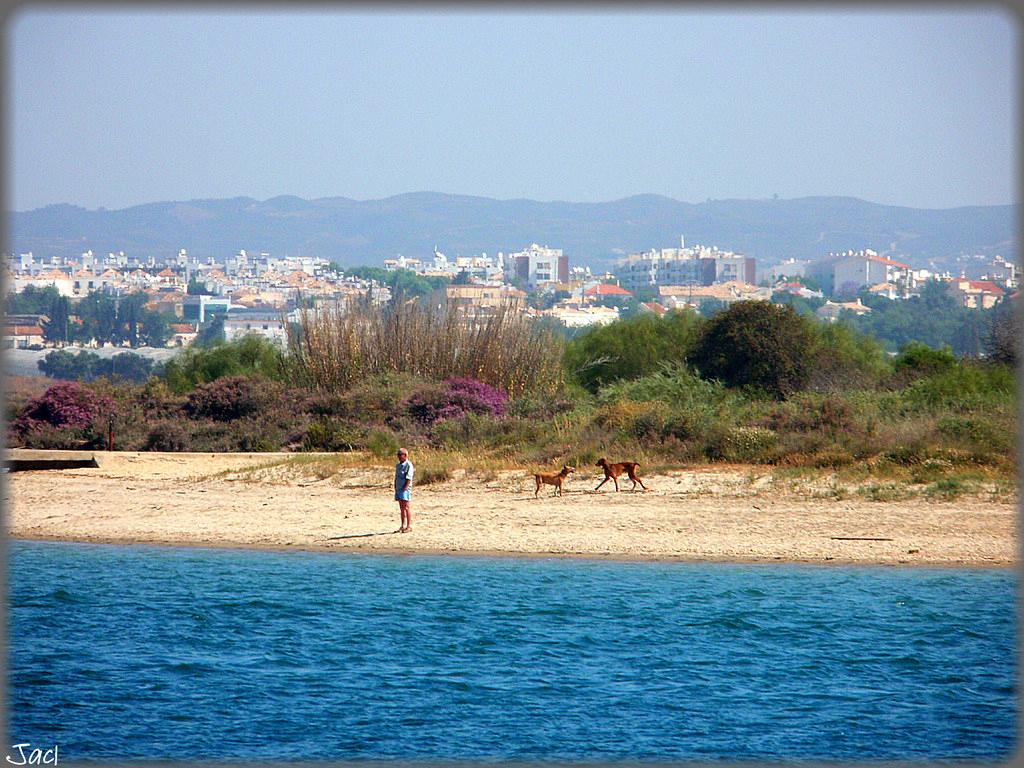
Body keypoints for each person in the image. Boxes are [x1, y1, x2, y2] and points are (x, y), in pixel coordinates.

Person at [394, 448, 414, 533]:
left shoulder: (409, 465)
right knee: (401, 508)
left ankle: (409, 526)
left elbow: (409, 478)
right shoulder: (398, 466)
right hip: (398, 489)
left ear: (405, 455)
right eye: (398, 455)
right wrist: (395, 487)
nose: (398, 456)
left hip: (405, 489)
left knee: (406, 507)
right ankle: (402, 525)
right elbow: (396, 477)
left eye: (400, 454)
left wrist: (405, 488)